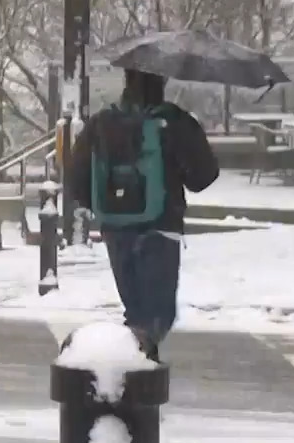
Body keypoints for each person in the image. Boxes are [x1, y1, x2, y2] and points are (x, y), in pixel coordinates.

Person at [67, 69, 219, 357]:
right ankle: (135, 373)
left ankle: (129, 371)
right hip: (161, 227)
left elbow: (76, 181)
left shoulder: (101, 123)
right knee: (158, 315)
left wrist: (109, 204)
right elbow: (203, 177)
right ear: (162, 81)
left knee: (135, 312)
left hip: (115, 229)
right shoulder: (174, 121)